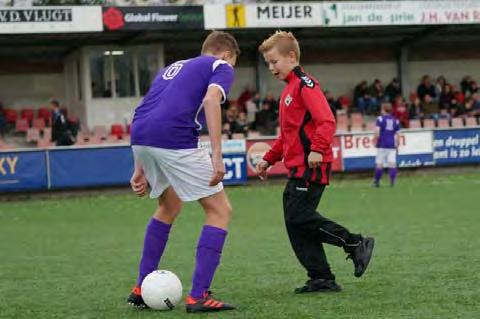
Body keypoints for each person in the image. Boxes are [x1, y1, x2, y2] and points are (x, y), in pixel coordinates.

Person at [128, 31, 240, 314]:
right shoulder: (220, 65)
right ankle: (198, 296)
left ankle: (142, 287)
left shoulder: (172, 68)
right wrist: (217, 155)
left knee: (169, 205)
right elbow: (212, 101)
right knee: (219, 211)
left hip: (141, 135)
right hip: (174, 137)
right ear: (227, 54)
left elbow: (146, 107)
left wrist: (139, 165)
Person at [256, 31, 375, 294]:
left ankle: (354, 243)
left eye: (274, 61)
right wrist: (268, 159)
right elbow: (287, 136)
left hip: (312, 165)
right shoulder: (288, 90)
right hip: (298, 166)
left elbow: (326, 120)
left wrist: (318, 150)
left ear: (291, 56)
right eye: (267, 63)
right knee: (295, 222)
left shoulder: (304, 84)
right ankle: (322, 278)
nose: (271, 68)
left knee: (299, 217)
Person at [373, 103, 400, 187]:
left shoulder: (380, 119)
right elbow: (398, 135)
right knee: (392, 163)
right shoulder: (395, 120)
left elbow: (377, 132)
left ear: (383, 109)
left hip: (382, 144)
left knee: (379, 164)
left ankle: (377, 182)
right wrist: (397, 145)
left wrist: (375, 139)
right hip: (391, 145)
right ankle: (392, 182)